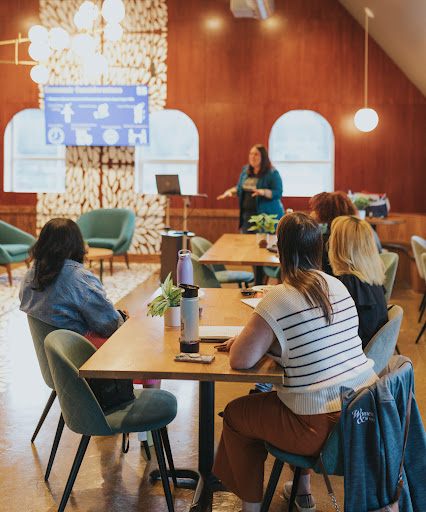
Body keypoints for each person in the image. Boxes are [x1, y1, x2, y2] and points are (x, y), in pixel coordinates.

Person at [212, 212, 378, 512]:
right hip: (363, 415)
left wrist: (248, 342)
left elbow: (240, 360)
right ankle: (302, 491)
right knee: (298, 397)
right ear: (318, 249)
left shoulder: (279, 297)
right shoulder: (338, 286)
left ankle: (251, 508)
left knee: (237, 415)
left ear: (280, 251)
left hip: (318, 428)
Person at [328, 215, 388, 349]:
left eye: (333, 236)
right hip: (375, 352)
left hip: (357, 354)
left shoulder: (350, 283)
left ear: (340, 246)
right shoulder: (370, 276)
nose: (329, 239)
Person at [309, 191, 382, 274]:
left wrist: (311, 221)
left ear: (324, 212)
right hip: (370, 274)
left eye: (316, 209)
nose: (313, 212)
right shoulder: (362, 228)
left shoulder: (332, 237)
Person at [217, 144, 284, 233]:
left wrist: (264, 192)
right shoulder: (246, 170)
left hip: (264, 218)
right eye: (251, 154)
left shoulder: (272, 173)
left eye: (256, 154)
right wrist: (230, 192)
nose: (252, 156)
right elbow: (240, 188)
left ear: (263, 157)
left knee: (263, 241)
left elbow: (278, 193)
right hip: (247, 217)